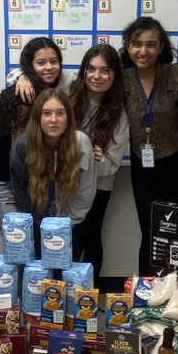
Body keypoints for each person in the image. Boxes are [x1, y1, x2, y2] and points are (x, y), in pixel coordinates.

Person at [121, 17, 178, 273]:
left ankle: (174, 294)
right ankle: (146, 294)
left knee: (173, 232)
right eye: (137, 44)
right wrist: (19, 75)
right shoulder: (122, 78)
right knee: (151, 232)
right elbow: (82, 89)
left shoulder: (177, 74)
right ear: (128, 47)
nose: (143, 51)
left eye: (151, 44)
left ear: (161, 47)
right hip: (143, 167)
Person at [0, 37, 64, 244]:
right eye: (41, 62)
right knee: (19, 244)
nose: (49, 67)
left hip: (30, 181)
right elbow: (18, 155)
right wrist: (20, 195)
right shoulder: (23, 96)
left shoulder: (52, 93)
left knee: (35, 244)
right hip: (5, 181)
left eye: (54, 61)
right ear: (30, 66)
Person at [8, 89, 97, 253]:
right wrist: (43, 223)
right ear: (38, 117)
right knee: (40, 272)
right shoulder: (23, 145)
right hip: (38, 221)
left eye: (60, 113)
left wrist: (65, 224)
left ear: (68, 117)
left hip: (72, 222)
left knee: (67, 271)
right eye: (47, 113)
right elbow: (21, 191)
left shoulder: (81, 143)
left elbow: (86, 190)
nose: (53, 120)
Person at [68, 44, 129, 282]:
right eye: (91, 69)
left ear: (115, 74)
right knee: (66, 239)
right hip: (64, 183)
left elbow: (111, 166)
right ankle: (61, 293)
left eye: (105, 70)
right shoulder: (68, 95)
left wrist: (90, 158)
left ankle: (88, 296)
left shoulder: (119, 114)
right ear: (83, 71)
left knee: (91, 237)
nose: (97, 76)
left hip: (99, 187)